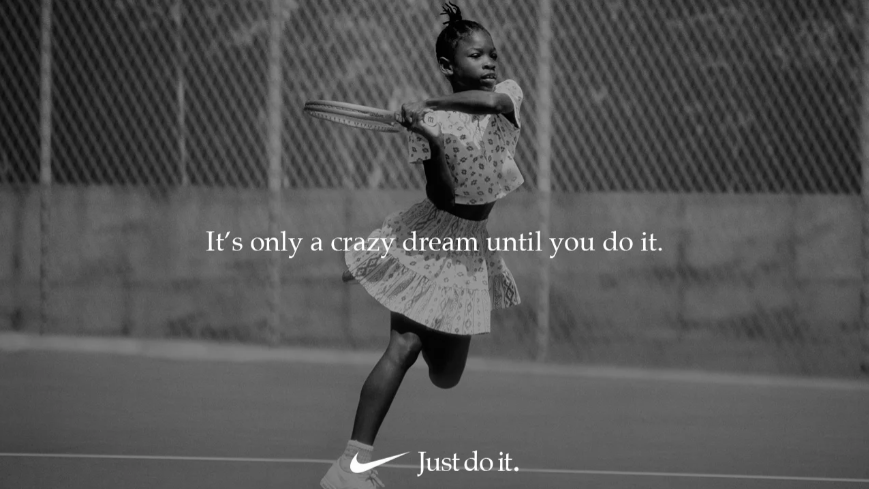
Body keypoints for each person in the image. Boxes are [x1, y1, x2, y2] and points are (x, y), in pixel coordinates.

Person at [320, 3, 524, 488]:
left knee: (446, 375)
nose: (490, 62)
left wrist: (431, 105)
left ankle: (428, 326)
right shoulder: (427, 124)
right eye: (477, 56)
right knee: (403, 344)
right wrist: (430, 137)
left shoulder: (507, 95)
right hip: (431, 234)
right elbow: (443, 195)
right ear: (450, 65)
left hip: (471, 245)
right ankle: (349, 466)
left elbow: (491, 104)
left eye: (492, 54)